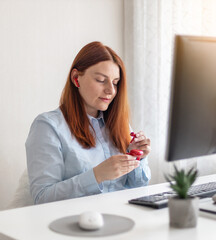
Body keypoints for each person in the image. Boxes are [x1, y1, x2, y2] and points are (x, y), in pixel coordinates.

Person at [26, 41, 151, 204]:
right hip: (78, 222)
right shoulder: (47, 126)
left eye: (115, 83)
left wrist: (138, 157)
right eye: (101, 80)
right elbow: (42, 198)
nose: (111, 91)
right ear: (76, 78)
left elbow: (139, 188)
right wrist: (97, 175)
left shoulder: (119, 125)